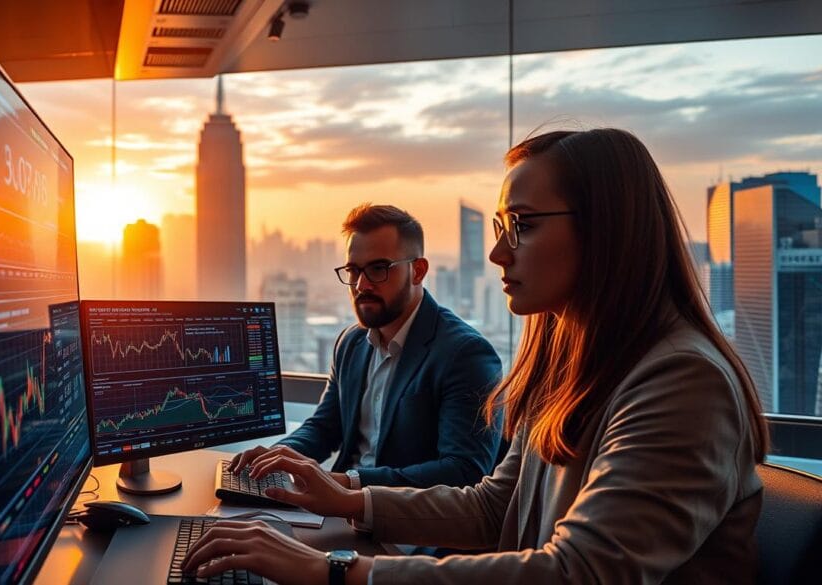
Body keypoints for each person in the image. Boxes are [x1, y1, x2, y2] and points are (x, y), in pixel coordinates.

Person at [183, 128, 769, 585]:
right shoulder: (568, 368)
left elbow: (579, 573)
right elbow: (495, 507)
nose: (496, 253)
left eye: (523, 225)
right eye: (499, 226)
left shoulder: (683, 382)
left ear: (608, 230)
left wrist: (333, 570)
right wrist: (348, 499)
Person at [230, 204, 504, 489]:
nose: (361, 285)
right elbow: (324, 428)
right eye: (353, 270)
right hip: (337, 503)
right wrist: (277, 457)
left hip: (399, 513)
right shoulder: (351, 343)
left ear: (418, 271)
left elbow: (463, 472)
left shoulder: (465, 354)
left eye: (378, 269)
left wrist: (347, 484)